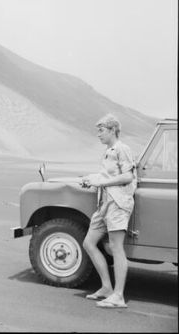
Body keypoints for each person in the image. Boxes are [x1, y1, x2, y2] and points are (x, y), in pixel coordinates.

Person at [81, 114, 137, 309]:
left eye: (101, 130)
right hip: (104, 204)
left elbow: (128, 176)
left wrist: (102, 182)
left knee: (116, 247)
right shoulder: (108, 151)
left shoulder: (123, 149)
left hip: (117, 203)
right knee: (89, 243)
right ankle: (106, 287)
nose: (98, 134)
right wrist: (91, 178)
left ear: (112, 130)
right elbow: (106, 175)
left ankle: (118, 296)